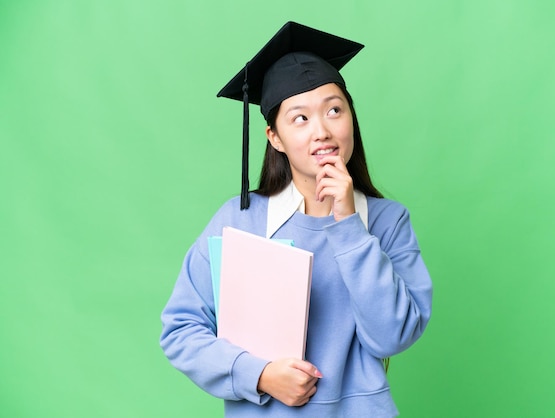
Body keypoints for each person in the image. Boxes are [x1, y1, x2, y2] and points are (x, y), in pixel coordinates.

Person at [160, 21, 433, 417]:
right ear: (275, 138)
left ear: (351, 118)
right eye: (300, 118)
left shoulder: (387, 222)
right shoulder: (239, 220)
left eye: (334, 110)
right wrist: (259, 374)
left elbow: (391, 336)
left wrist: (348, 225)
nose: (322, 130)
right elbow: (180, 330)